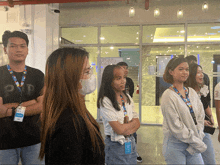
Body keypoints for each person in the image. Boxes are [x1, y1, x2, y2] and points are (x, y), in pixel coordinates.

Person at [39, 47, 105, 164]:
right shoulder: (69, 123)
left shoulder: (78, 111)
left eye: (89, 71)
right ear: (69, 77)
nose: (91, 77)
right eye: (86, 72)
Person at [0, 30, 45, 165]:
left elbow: (42, 106)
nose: (18, 50)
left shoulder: (37, 75)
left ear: (27, 50)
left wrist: (8, 111)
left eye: (22, 46)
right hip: (4, 140)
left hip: (34, 139)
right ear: (5, 49)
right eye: (13, 46)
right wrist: (31, 103)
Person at [161, 57, 207, 164]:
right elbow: (176, 127)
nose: (185, 72)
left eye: (186, 69)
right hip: (175, 145)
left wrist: (198, 135)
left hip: (193, 142)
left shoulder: (191, 92)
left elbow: (200, 116)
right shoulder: (168, 96)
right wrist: (195, 140)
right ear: (171, 71)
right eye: (180, 69)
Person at [97, 64, 140, 165]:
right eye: (118, 78)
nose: (123, 81)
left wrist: (126, 128)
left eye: (124, 77)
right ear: (109, 80)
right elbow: (118, 129)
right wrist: (130, 124)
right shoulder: (105, 100)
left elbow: (137, 123)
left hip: (130, 141)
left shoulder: (127, 96)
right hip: (115, 144)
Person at [185, 63, 216, 165]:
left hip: (203, 130)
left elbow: (205, 104)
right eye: (198, 72)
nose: (202, 75)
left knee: (210, 160)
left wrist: (211, 116)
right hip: (190, 132)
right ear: (192, 75)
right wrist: (201, 121)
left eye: (202, 72)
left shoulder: (202, 88)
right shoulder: (186, 92)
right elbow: (186, 113)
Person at [117, 61, 142, 163]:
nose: (125, 70)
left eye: (126, 68)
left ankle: (133, 152)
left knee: (132, 135)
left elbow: (129, 96)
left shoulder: (130, 81)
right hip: (118, 112)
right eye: (123, 68)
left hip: (128, 110)